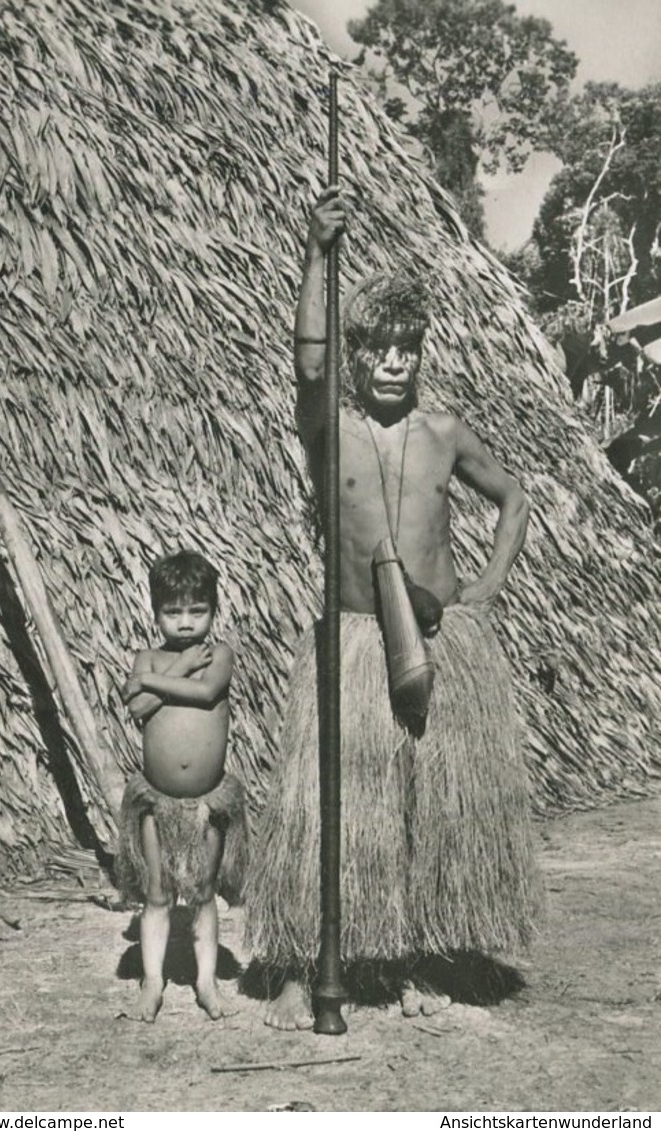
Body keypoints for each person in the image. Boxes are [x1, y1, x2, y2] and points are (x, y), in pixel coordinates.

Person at [245, 186, 540, 1030]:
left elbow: (515, 497)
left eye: (407, 349)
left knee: (431, 813)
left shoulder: (445, 431)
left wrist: (484, 588)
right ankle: (306, 963)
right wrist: (315, 251)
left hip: (444, 643)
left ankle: (420, 958)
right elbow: (307, 361)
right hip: (352, 645)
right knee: (327, 812)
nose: (393, 364)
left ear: (420, 354)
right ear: (359, 353)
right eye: (377, 349)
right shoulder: (329, 430)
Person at [117, 549, 247, 1023]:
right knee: (156, 893)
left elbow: (207, 691)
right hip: (157, 799)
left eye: (197, 611)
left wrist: (159, 679)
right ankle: (152, 982)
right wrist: (173, 667)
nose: (186, 623)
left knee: (203, 892)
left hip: (207, 801)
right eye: (173, 612)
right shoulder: (148, 657)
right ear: (155, 613)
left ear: (213, 610)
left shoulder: (219, 655)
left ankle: (206, 982)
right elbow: (134, 708)